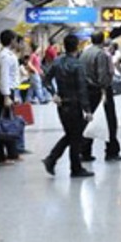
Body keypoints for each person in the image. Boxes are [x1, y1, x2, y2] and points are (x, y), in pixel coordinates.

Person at [42, 34, 94, 178]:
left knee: (72, 136)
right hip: (75, 105)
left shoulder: (57, 62)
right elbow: (82, 89)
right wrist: (87, 110)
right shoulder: (78, 65)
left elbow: (46, 80)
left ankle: (53, 160)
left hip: (62, 105)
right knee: (75, 138)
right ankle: (72, 168)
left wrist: (53, 94)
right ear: (77, 46)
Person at [80, 32, 121, 162]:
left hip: (87, 91)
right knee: (110, 121)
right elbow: (102, 76)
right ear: (103, 40)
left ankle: (85, 152)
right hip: (100, 91)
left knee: (89, 121)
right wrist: (105, 91)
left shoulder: (85, 53)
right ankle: (111, 152)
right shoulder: (101, 54)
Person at [0, 30, 20, 165]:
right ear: (11, 40)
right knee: (4, 124)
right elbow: (4, 77)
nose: (16, 42)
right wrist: (7, 96)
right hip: (4, 93)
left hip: (7, 91)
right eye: (15, 39)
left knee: (7, 122)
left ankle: (12, 153)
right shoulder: (5, 57)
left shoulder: (3, 54)